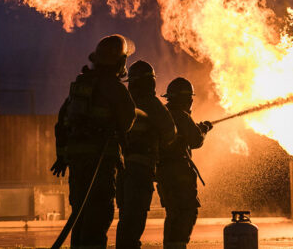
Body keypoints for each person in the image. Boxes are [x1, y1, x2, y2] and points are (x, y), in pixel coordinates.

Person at [50, 34, 136, 248]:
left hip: (77, 165)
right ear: (120, 61)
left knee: (79, 215)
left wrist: (62, 158)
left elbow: (61, 124)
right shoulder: (115, 89)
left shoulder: (79, 87)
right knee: (98, 217)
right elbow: (127, 122)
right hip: (101, 163)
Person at [116, 61, 176, 249]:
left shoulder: (124, 103)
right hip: (140, 170)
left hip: (121, 172)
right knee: (135, 218)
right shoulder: (152, 104)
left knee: (125, 218)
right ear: (150, 82)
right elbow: (170, 133)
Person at [156, 77, 213, 249]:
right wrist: (203, 130)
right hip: (179, 174)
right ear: (186, 99)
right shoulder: (181, 116)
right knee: (186, 212)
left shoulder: (163, 114)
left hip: (164, 174)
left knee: (173, 214)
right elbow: (195, 140)